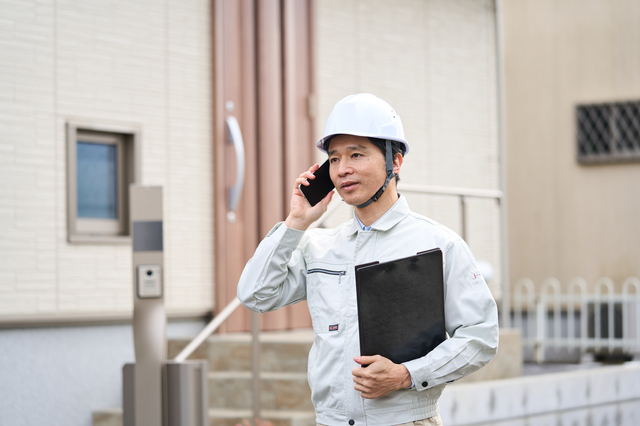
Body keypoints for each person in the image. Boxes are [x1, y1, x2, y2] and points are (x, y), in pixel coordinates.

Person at [237, 93, 499, 426]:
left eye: (356, 155)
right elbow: (254, 294)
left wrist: (407, 374)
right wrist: (297, 222)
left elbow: (480, 336)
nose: (343, 169)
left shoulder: (438, 244)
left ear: (395, 162)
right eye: (333, 159)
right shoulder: (318, 246)